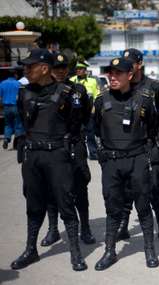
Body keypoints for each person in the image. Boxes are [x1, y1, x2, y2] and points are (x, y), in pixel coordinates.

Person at [11, 48, 87, 271]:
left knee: (66, 203)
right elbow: (24, 122)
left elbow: (77, 122)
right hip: (32, 156)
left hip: (57, 156)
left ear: (44, 68)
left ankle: (75, 253)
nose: (25, 70)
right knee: (33, 204)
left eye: (29, 66)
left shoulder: (66, 93)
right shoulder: (24, 92)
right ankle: (30, 249)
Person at [93, 57, 159, 270]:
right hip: (111, 162)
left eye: (118, 73)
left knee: (142, 205)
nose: (112, 77)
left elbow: (152, 127)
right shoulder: (101, 100)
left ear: (130, 75)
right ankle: (110, 251)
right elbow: (95, 130)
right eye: (110, 73)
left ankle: (149, 249)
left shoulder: (145, 99)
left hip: (137, 159)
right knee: (113, 207)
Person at [115, 48, 159, 244]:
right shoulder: (119, 86)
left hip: (148, 144)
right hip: (124, 146)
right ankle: (123, 225)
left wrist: (148, 134)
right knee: (125, 186)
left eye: (130, 63)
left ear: (139, 64)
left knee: (155, 184)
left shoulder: (154, 87)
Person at [39, 52, 95, 247]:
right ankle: (53, 229)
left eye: (63, 68)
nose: (60, 72)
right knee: (51, 189)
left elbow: (87, 114)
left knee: (80, 186)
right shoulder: (41, 91)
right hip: (51, 147)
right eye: (56, 68)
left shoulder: (77, 90)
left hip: (74, 144)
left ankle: (85, 228)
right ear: (49, 70)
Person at [70, 62, 99, 160]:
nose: (78, 70)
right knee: (75, 133)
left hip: (88, 111)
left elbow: (96, 96)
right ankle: (75, 152)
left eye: (81, 69)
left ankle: (93, 153)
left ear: (85, 70)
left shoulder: (92, 81)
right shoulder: (72, 80)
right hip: (75, 112)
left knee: (90, 133)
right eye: (77, 68)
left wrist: (94, 109)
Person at [0, 69, 24, 150]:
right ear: (15, 75)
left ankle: (6, 139)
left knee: (8, 124)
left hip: (6, 107)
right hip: (16, 106)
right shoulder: (18, 84)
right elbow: (21, 97)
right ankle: (17, 143)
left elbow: (0, 96)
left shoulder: (2, 83)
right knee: (18, 124)